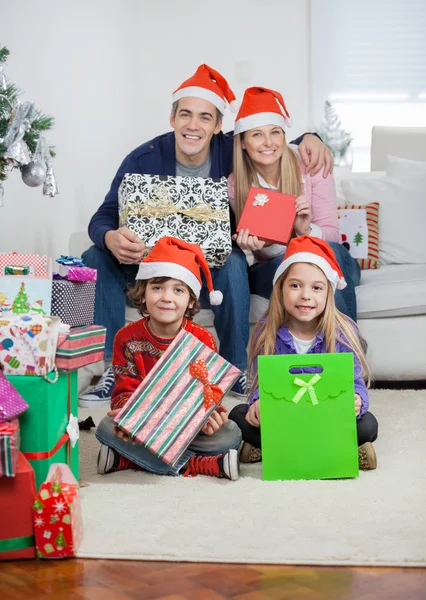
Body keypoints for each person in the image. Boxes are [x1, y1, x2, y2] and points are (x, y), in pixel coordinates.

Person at [81, 64, 334, 405]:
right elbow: (104, 215)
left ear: (219, 127)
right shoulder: (143, 158)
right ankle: (113, 370)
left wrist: (310, 138)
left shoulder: (230, 152)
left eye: (204, 118)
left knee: (233, 262)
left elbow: (266, 137)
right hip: (151, 264)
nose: (193, 125)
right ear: (172, 119)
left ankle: (234, 369)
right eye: (185, 115)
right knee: (94, 256)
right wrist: (109, 236)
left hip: (207, 265)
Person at [96, 236, 242, 480]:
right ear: (142, 294)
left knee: (230, 435)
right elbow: (123, 390)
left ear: (191, 300)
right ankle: (196, 465)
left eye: (178, 290)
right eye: (157, 287)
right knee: (106, 428)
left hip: (188, 425)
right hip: (144, 423)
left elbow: (209, 390)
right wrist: (125, 415)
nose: (167, 297)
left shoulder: (202, 338)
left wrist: (211, 415)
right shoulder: (126, 337)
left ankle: (127, 459)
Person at [229, 236, 378, 470]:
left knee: (368, 425)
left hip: (325, 416)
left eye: (316, 288)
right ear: (280, 289)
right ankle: (330, 446)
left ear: (328, 293)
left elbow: (355, 382)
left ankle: (270, 446)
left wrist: (357, 400)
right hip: (286, 416)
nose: (305, 295)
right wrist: (257, 403)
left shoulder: (342, 332)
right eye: (295, 285)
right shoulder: (267, 331)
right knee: (238, 417)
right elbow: (259, 384)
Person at [228, 86, 360, 324]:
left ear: (284, 135)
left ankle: (347, 347)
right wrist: (260, 244)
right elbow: (261, 255)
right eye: (257, 134)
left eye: (275, 132)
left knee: (332, 254)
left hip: (328, 259)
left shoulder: (311, 164)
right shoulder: (236, 183)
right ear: (243, 143)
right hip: (275, 266)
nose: (268, 142)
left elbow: (332, 236)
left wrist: (305, 231)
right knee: (290, 265)